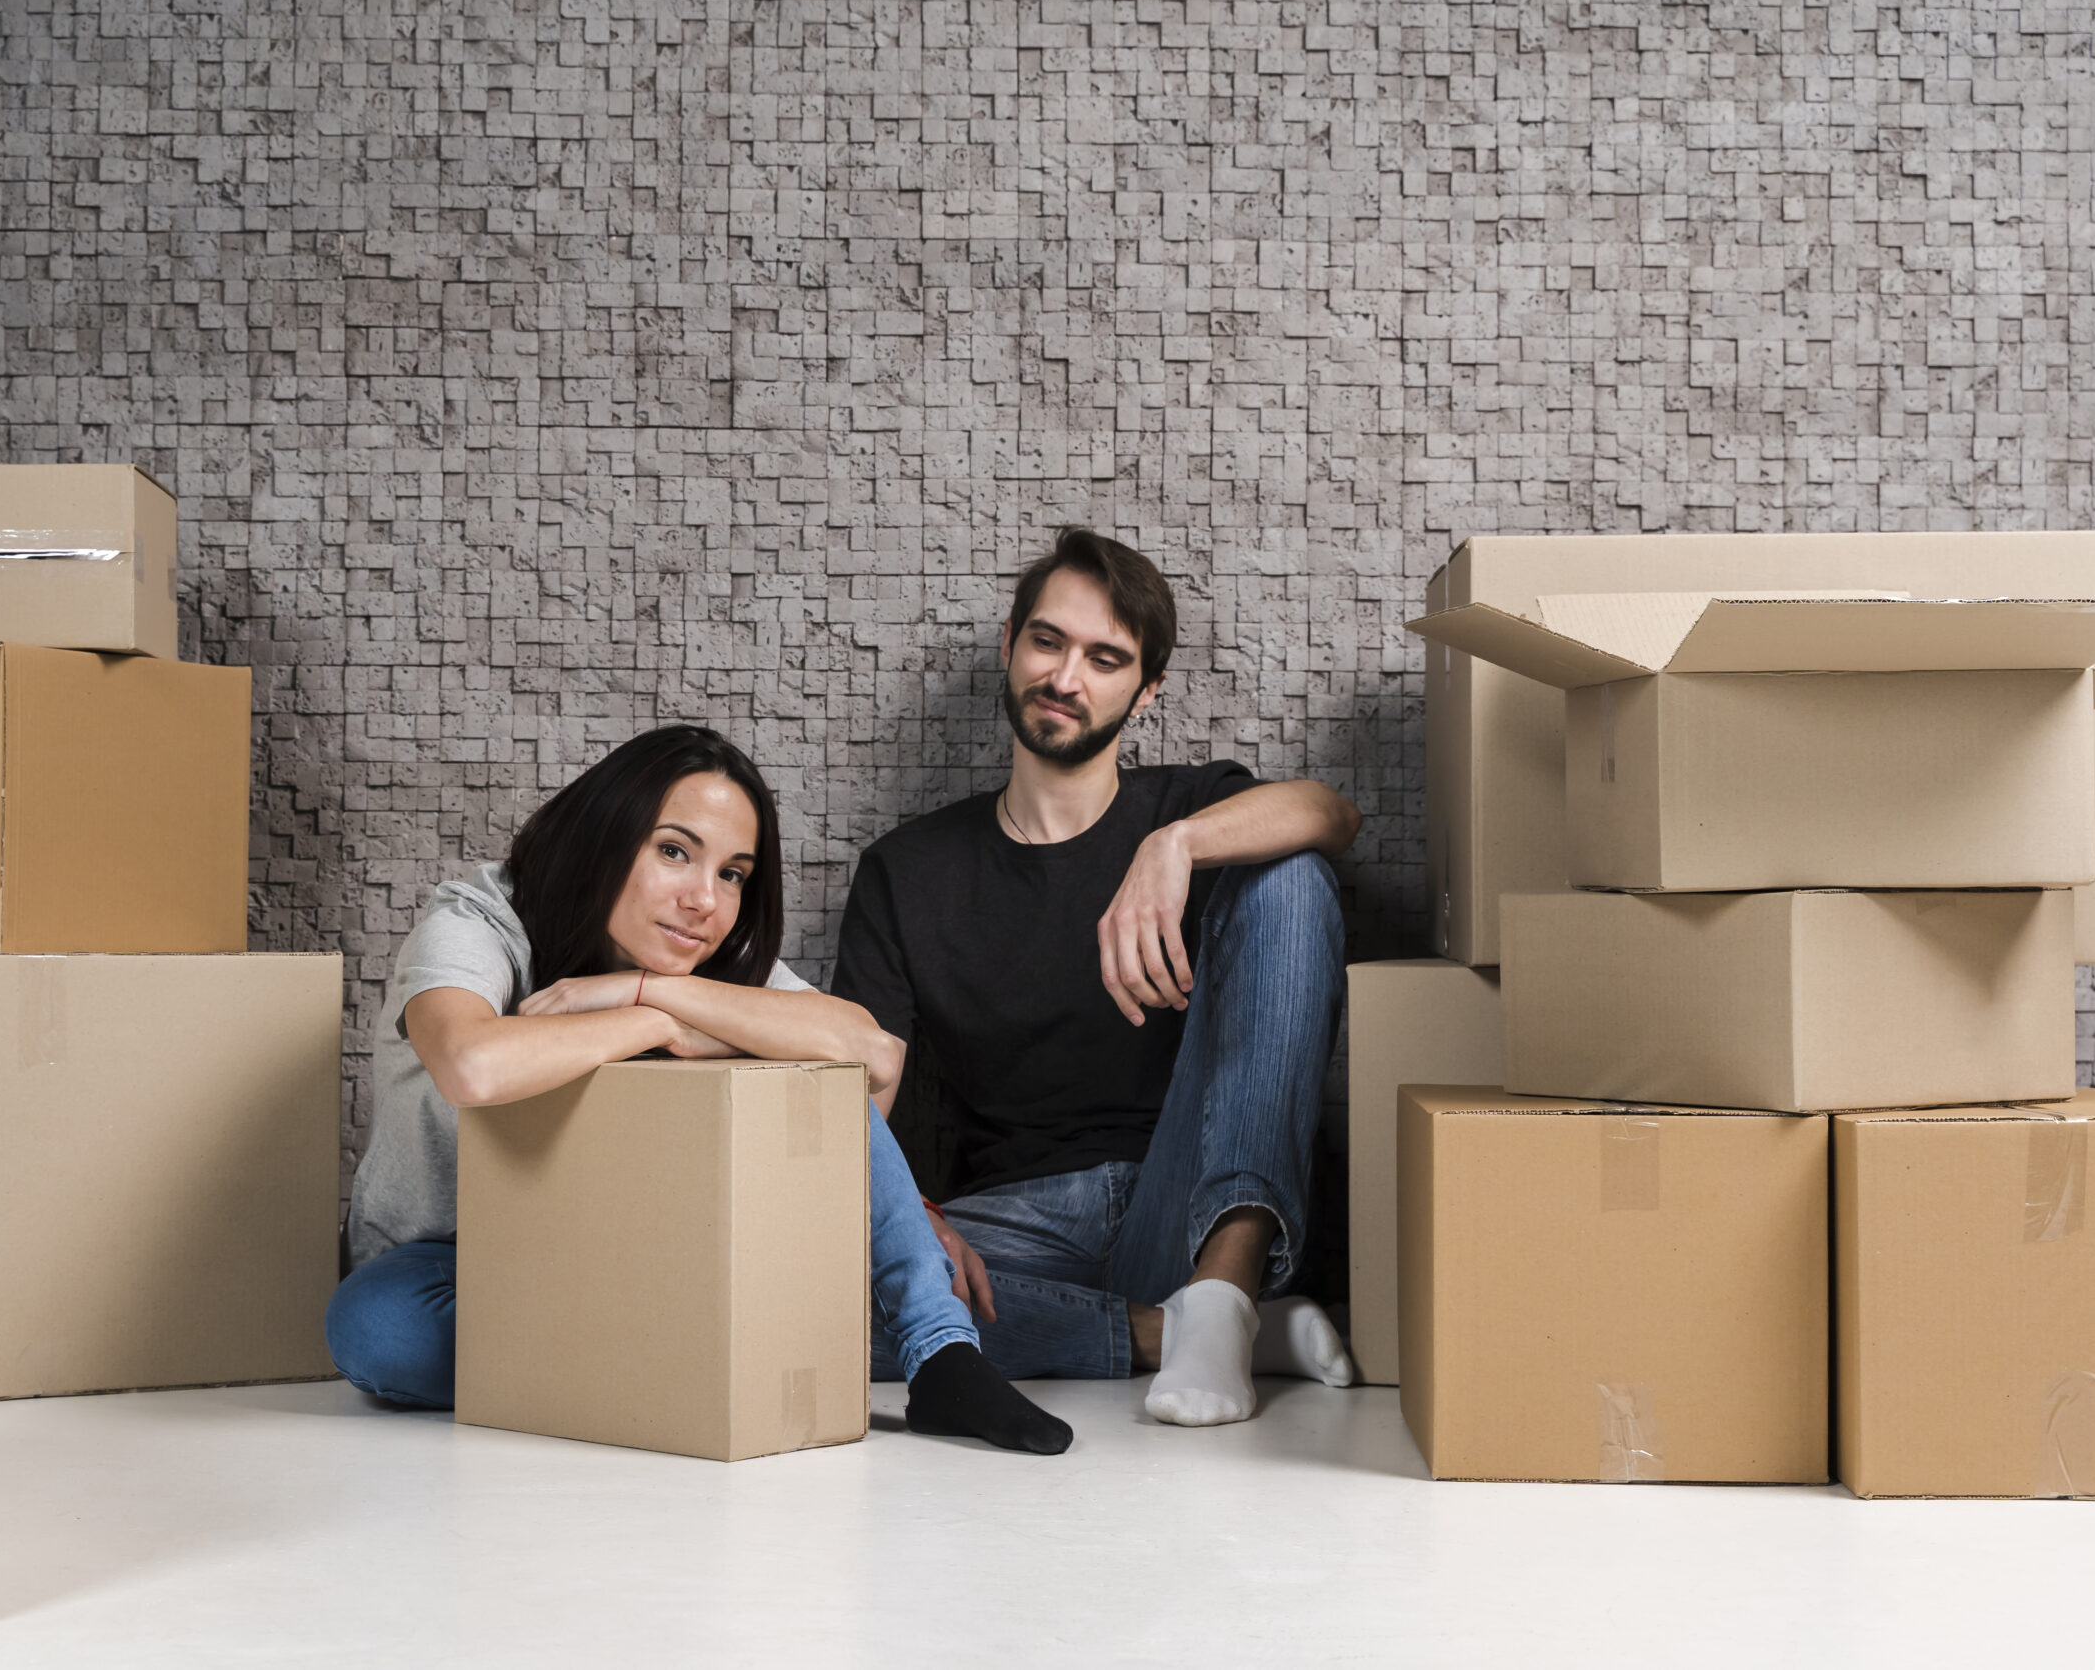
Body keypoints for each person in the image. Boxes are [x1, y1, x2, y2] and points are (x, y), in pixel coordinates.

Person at [327, 724, 1073, 1455]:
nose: (704, 901)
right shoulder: (481, 918)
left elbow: (874, 1056)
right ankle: (693, 1355)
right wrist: (649, 1021)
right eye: (674, 851)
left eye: (732, 873)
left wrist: (649, 990)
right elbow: (472, 1066)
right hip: (451, 1268)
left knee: (817, 1071)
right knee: (373, 1328)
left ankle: (941, 1352)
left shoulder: (696, 966)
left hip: (636, 1254)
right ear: (604, 835)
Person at [832, 528, 1360, 1428]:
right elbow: (856, 1093)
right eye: (1048, 641)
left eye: (1105, 658)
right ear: (1009, 646)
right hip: (1014, 1229)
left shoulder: (1184, 808)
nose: (1066, 678)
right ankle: (1181, 1333)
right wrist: (911, 1214)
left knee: (1291, 871)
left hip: (1187, 1197)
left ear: (1145, 689)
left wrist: (1177, 845)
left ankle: (1225, 1290)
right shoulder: (906, 869)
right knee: (808, 1297)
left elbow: (1331, 812)